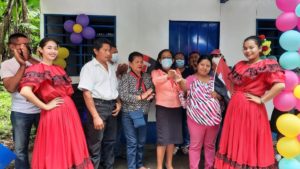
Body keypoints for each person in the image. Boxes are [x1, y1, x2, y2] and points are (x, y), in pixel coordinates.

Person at [19, 37, 93, 169]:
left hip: (69, 112)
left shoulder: (59, 69)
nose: (53, 51)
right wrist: (45, 106)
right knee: (56, 146)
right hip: (54, 113)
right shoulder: (36, 69)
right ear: (40, 50)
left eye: (55, 48)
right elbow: (25, 91)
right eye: (49, 48)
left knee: (70, 146)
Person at [214, 36, 285, 169]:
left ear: (259, 49)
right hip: (235, 108)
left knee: (248, 139)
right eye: (245, 48)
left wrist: (262, 99)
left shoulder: (266, 65)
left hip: (251, 108)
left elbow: (280, 85)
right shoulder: (240, 65)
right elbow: (232, 83)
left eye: (251, 47)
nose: (247, 51)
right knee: (235, 138)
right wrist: (235, 94)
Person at [78, 38, 121, 169]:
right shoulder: (89, 68)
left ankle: (108, 166)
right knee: (95, 144)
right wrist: (95, 116)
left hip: (112, 107)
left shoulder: (111, 67)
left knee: (110, 142)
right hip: (98, 107)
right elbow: (86, 93)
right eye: (105, 50)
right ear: (96, 51)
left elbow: (114, 88)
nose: (109, 53)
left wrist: (118, 102)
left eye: (110, 50)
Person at [0, 33, 40, 169]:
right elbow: (11, 87)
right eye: (22, 45)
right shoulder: (6, 65)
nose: (25, 48)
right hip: (20, 113)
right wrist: (23, 65)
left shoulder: (35, 61)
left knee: (45, 145)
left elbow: (49, 73)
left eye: (27, 45)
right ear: (12, 47)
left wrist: (29, 59)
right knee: (21, 150)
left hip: (42, 110)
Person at [176, 56, 222, 169]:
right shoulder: (190, 78)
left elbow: (223, 97)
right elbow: (183, 90)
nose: (205, 68)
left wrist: (218, 95)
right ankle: (194, 167)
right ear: (197, 65)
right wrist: (181, 82)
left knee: (210, 145)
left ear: (211, 67)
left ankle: (209, 166)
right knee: (195, 145)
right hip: (195, 118)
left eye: (208, 65)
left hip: (213, 119)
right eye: (202, 64)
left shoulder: (214, 81)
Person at [119, 51, 154, 169]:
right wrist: (141, 96)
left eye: (141, 62)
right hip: (129, 114)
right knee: (132, 142)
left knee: (141, 141)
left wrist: (150, 95)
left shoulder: (147, 76)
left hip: (142, 114)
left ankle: (139, 164)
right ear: (130, 63)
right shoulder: (126, 77)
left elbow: (151, 90)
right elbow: (123, 96)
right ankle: (132, 167)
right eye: (137, 62)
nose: (140, 64)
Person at [151, 49, 183, 169]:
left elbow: (180, 89)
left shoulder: (177, 71)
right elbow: (155, 82)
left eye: (169, 57)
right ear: (159, 60)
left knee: (172, 138)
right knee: (163, 137)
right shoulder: (156, 72)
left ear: (173, 60)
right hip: (163, 108)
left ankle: (169, 164)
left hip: (176, 107)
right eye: (164, 57)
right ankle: (159, 166)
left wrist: (178, 80)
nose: (166, 59)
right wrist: (168, 77)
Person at [173, 52, 191, 155]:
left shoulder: (190, 71)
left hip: (187, 102)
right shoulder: (172, 72)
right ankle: (176, 145)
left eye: (181, 58)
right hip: (175, 102)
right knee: (176, 124)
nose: (180, 60)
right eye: (177, 59)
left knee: (186, 124)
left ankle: (186, 145)